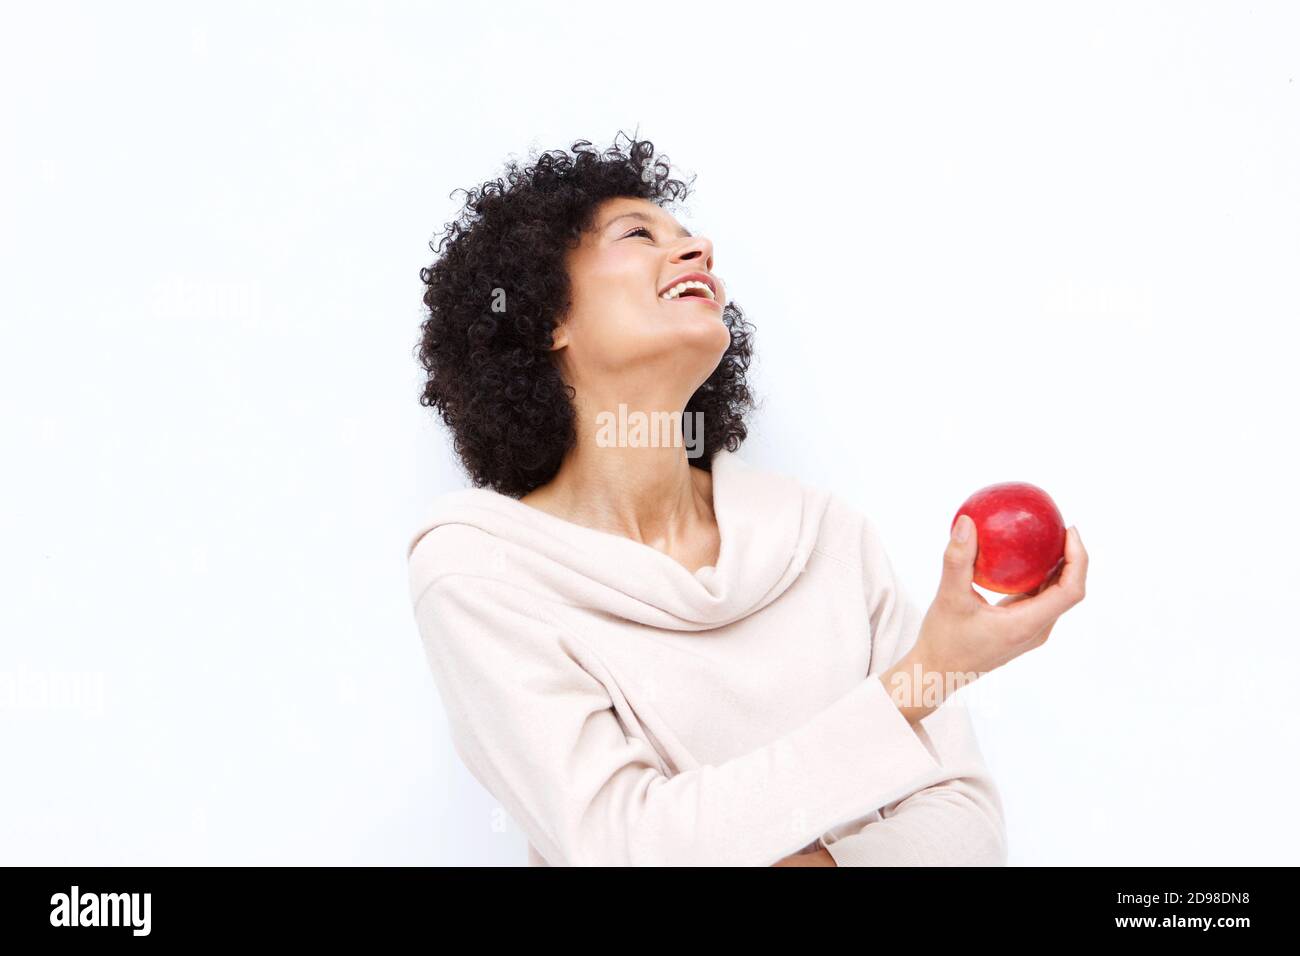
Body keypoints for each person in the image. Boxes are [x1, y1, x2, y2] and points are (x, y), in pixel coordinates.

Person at [407, 132, 1088, 866]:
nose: (698, 250)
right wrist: (920, 680)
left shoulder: (826, 536)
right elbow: (622, 842)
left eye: (694, 238)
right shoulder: (480, 570)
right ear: (546, 318)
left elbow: (966, 822)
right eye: (639, 234)